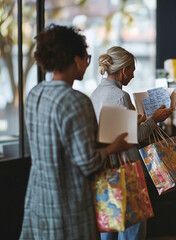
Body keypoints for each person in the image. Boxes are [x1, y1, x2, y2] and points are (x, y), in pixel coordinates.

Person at [20, 24, 133, 240]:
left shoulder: (35, 94)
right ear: (75, 59)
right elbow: (88, 162)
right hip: (69, 204)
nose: (87, 63)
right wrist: (113, 147)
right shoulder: (75, 101)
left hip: (39, 198)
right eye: (86, 57)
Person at [90, 46, 173, 240]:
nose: (133, 76)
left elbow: (111, 131)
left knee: (109, 229)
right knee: (133, 231)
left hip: (105, 170)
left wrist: (136, 121)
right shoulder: (121, 96)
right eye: (132, 71)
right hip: (127, 170)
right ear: (123, 70)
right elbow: (134, 137)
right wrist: (155, 119)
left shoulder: (95, 94)